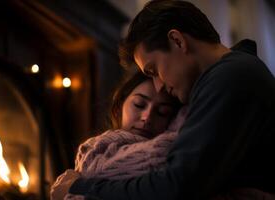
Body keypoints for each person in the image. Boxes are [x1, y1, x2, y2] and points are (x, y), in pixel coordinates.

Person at [65, 1, 275, 200]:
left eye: (153, 70)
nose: (158, 85)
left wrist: (80, 187)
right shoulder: (234, 73)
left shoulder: (229, 77)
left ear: (177, 41)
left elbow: (176, 186)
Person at [50, 72, 185, 199]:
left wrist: (74, 187)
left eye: (162, 112)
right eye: (139, 104)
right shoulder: (93, 152)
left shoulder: (174, 157)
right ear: (119, 107)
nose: (147, 117)